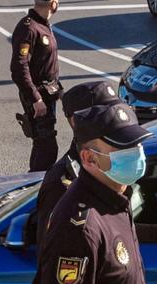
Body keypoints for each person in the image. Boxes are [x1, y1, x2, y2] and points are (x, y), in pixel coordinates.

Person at [34, 103, 153, 284]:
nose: (136, 153)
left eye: (137, 144)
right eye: (124, 148)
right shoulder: (79, 227)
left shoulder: (116, 198)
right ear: (89, 158)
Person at [34, 80, 124, 246]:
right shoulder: (63, 183)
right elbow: (53, 249)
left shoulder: (116, 163)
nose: (117, 117)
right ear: (75, 121)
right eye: (105, 114)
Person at [10, 0, 64, 172]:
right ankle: (36, 190)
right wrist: (36, 99)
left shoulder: (41, 25)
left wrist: (60, 91)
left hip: (47, 93)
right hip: (38, 97)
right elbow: (18, 68)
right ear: (53, 4)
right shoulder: (29, 29)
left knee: (44, 144)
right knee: (46, 148)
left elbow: (45, 65)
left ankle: (36, 186)